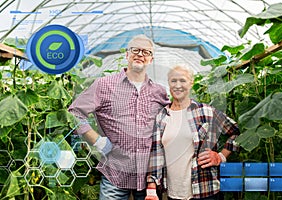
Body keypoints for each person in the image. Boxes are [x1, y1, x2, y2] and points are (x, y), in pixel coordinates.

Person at [68, 34, 170, 200]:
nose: (140, 54)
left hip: (148, 174)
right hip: (115, 172)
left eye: (146, 52)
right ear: (127, 55)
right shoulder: (104, 85)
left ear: (151, 59)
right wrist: (98, 140)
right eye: (135, 50)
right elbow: (74, 113)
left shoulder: (159, 91)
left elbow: (171, 121)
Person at [145, 65, 240, 200]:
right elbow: (156, 155)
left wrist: (221, 156)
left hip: (206, 190)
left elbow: (236, 133)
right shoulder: (161, 117)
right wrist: (151, 188)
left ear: (191, 83)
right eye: (173, 81)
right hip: (174, 194)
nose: (178, 85)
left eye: (183, 80)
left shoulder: (206, 111)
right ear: (169, 84)